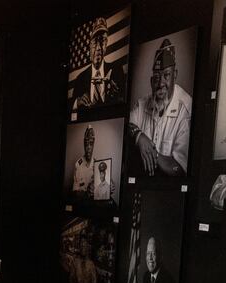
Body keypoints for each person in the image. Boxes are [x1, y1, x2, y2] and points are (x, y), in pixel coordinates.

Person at [127, 38, 191, 177]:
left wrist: (151, 152)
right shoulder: (142, 103)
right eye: (156, 77)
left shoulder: (186, 109)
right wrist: (139, 136)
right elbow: (126, 124)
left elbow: (179, 168)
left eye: (166, 75)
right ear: (151, 81)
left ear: (175, 75)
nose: (161, 83)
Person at [72, 17, 126, 110]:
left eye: (102, 41)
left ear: (106, 43)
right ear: (89, 46)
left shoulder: (117, 71)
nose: (98, 48)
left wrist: (118, 97)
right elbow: (70, 109)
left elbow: (122, 103)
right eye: (95, 42)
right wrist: (77, 103)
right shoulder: (80, 79)